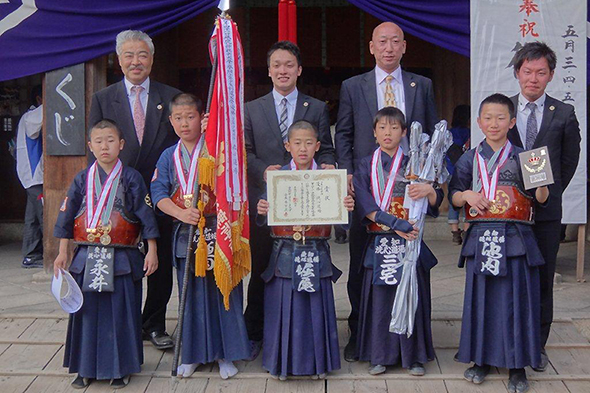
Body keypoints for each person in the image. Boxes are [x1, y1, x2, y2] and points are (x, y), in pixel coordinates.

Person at [335, 21, 438, 361]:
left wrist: (429, 181)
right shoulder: (354, 85)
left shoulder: (420, 85)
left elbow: (432, 140)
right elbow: (345, 134)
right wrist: (348, 176)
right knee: (363, 265)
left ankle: (411, 334)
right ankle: (360, 331)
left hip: (410, 192)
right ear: (371, 47)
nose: (389, 47)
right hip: (370, 188)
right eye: (383, 41)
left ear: (405, 46)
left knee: (411, 263)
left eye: (396, 41)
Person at [450, 94, 549, 393]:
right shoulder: (469, 157)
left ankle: (517, 367)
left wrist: (541, 178)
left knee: (516, 302)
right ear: (478, 122)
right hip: (481, 239)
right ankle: (480, 359)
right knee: (482, 301)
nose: (494, 124)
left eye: (500, 118)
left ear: (512, 122)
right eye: (488, 118)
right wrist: (466, 196)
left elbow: (542, 199)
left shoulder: (525, 155)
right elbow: (454, 195)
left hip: (515, 238)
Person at [89, 30, 181, 350]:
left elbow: (180, 149)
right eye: (128, 55)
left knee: (160, 262)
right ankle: (124, 323)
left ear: (152, 60)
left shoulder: (170, 97)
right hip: (120, 195)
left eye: (142, 55)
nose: (135, 61)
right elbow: (96, 149)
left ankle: (154, 323)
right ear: (119, 60)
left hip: (161, 194)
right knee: (123, 261)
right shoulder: (103, 98)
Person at [244, 41, 336, 359]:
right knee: (262, 267)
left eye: (289, 65)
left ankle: (300, 331)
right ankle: (255, 332)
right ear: (269, 71)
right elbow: (245, 152)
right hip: (266, 201)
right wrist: (262, 171)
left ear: (298, 70)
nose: (283, 70)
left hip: (306, 201)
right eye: (277, 65)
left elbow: (326, 149)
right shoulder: (251, 108)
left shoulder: (317, 107)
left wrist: (329, 166)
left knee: (304, 265)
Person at [53, 119, 159, 389]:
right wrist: (63, 252)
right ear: (90, 146)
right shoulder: (82, 178)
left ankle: (120, 368)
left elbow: (146, 217)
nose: (104, 146)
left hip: (122, 257)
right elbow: (66, 217)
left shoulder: (132, 177)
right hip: (87, 256)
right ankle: (84, 367)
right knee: (86, 313)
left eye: (110, 140)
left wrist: (152, 251)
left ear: (121, 145)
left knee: (121, 313)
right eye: (98, 141)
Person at [150, 93, 250, 379]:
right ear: (171, 121)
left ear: (202, 117)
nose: (184, 124)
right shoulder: (168, 156)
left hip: (217, 230)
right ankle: (192, 354)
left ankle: (225, 355)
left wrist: (216, 133)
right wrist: (180, 213)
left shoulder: (216, 149)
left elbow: (233, 181)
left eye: (190, 117)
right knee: (190, 297)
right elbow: (157, 192)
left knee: (223, 292)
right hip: (187, 233)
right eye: (178, 118)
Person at [256, 120, 354, 380]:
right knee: (284, 306)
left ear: (318, 146)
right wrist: (262, 209)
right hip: (284, 250)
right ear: (287, 146)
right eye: (297, 143)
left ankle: (318, 363)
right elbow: (263, 216)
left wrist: (346, 205)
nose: (303, 148)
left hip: (316, 248)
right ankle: (281, 363)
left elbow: (344, 222)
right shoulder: (278, 176)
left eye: (309, 143)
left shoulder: (328, 176)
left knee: (314, 308)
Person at [507, 42, 581, 371]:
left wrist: (548, 195)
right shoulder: (502, 110)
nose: (533, 78)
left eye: (540, 72)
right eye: (527, 71)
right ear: (517, 73)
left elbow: (569, 162)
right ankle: (506, 339)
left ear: (551, 75)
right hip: (507, 213)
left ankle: (537, 345)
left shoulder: (563, 113)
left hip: (546, 213)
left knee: (541, 279)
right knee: (508, 277)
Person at [353, 107, 441, 376]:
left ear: (404, 132)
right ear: (374, 132)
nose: (387, 133)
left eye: (394, 128)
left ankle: (413, 356)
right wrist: (394, 223)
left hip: (410, 242)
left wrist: (430, 191)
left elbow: (436, 202)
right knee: (380, 300)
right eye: (382, 127)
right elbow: (364, 201)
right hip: (381, 240)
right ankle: (378, 354)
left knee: (412, 296)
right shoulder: (365, 164)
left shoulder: (416, 163)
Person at [16, 85, 44, 268]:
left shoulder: (29, 116)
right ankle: (49, 253)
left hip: (32, 177)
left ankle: (30, 255)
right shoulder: (31, 116)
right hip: (35, 176)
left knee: (32, 218)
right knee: (44, 215)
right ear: (40, 98)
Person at [445, 105, 471, 245]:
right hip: (467, 171)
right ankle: (467, 230)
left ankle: (455, 232)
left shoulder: (448, 133)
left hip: (451, 170)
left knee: (452, 201)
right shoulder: (469, 132)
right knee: (467, 200)